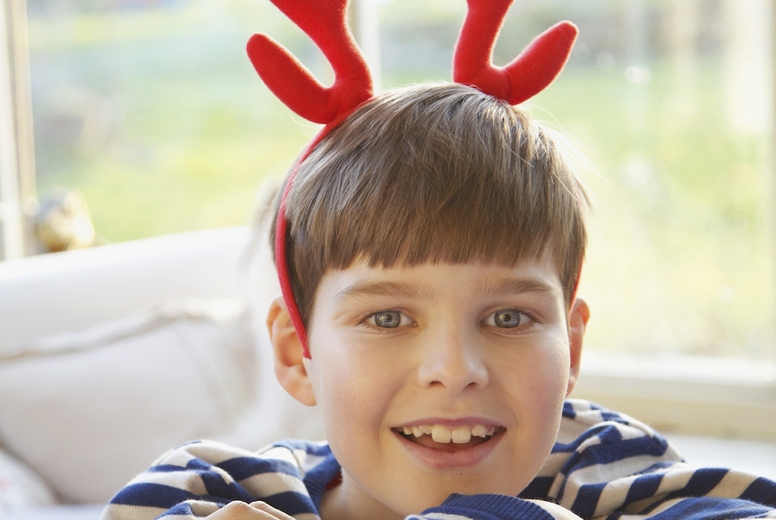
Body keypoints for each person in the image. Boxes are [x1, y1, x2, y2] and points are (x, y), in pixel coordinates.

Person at [101, 1, 776, 519]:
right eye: (387, 318)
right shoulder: (210, 489)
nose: (454, 370)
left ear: (570, 346)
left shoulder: (605, 461)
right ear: (295, 353)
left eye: (509, 317)